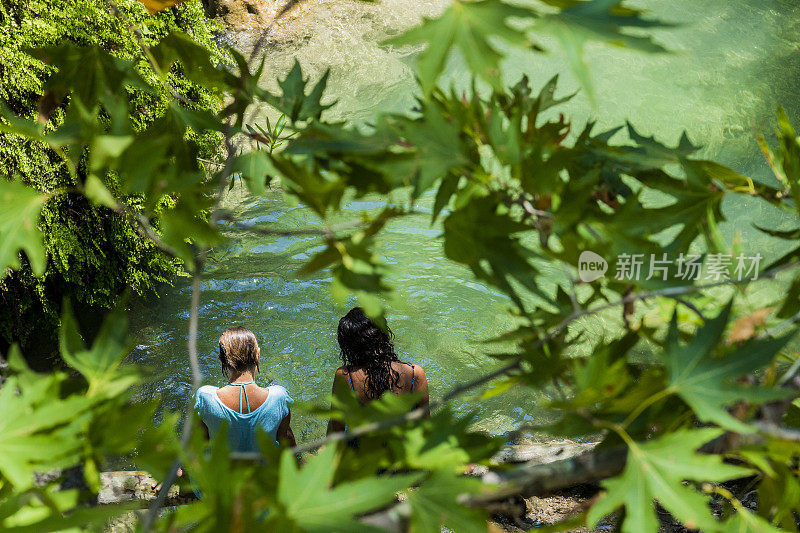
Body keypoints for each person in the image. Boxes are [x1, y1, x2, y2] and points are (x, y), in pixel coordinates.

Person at [327, 307, 429, 435]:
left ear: (349, 346)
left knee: (332, 420)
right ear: (384, 335)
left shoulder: (345, 376)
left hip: (362, 450)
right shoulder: (415, 374)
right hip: (401, 449)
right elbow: (425, 427)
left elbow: (338, 430)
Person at [195, 327, 296, 452]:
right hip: (265, 470)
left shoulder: (205, 398)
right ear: (258, 355)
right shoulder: (279, 397)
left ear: (221, 358)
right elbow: (288, 445)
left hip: (222, 471)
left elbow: (198, 447)